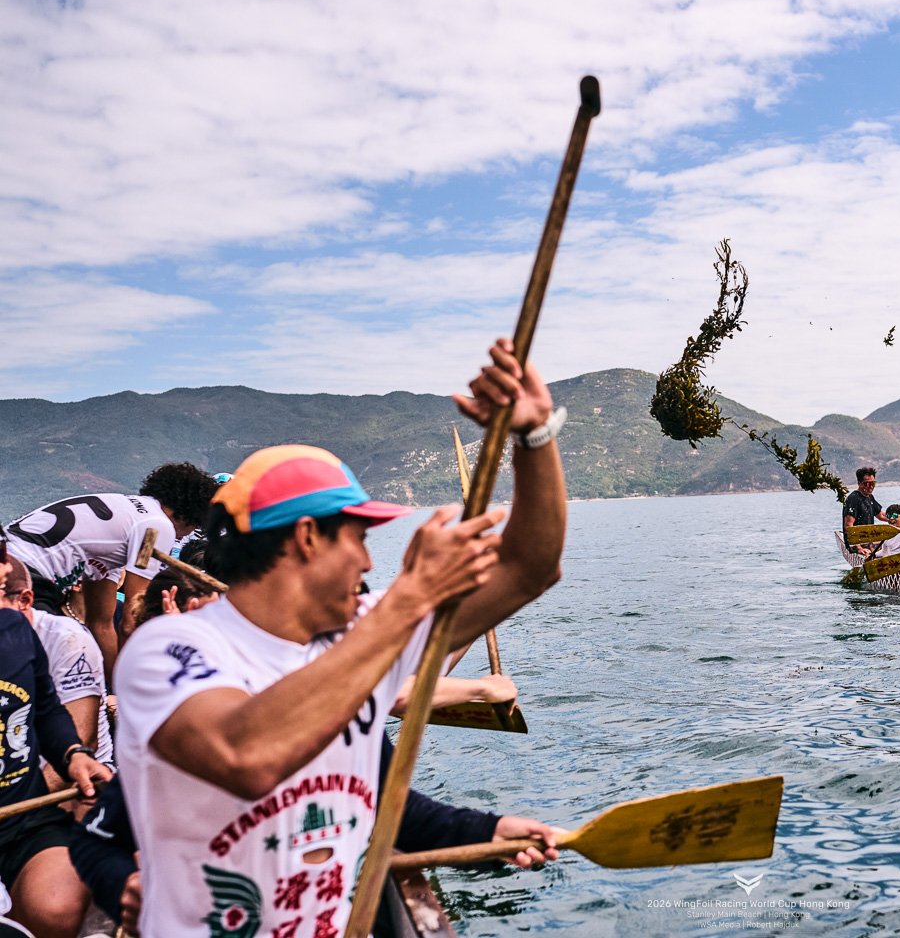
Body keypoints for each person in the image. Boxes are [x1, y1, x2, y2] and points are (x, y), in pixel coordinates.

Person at [110, 336, 566, 938]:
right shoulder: (168, 649)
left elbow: (530, 568)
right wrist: (410, 597)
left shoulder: (361, 632)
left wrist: (535, 437)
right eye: (359, 540)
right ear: (306, 538)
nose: (369, 565)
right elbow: (245, 757)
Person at [70, 732, 557, 938]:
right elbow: (95, 841)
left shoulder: (356, 707)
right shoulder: (194, 719)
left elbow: (396, 814)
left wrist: (489, 831)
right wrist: (122, 884)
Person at [4, 463, 219, 680]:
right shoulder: (157, 527)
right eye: (195, 526)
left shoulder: (125, 520)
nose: (184, 536)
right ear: (189, 513)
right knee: (45, 671)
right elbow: (131, 620)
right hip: (22, 572)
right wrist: (134, 687)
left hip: (11, 560)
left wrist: (116, 686)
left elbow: (100, 624)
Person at [0, 542, 114, 938]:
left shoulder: (15, 628)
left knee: (57, 908)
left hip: (24, 814)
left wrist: (73, 754)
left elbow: (48, 710)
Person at [1, 566, 113, 785]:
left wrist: (28, 799)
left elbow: (81, 739)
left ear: (24, 601)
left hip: (61, 784)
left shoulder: (67, 640)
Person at [842, 467, 883, 555]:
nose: (871, 487)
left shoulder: (870, 497)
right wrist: (859, 548)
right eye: (868, 484)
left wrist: (898, 517)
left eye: (873, 483)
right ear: (859, 483)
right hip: (856, 543)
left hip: (868, 540)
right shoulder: (853, 499)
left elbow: (881, 515)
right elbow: (848, 525)